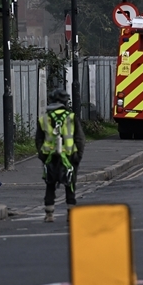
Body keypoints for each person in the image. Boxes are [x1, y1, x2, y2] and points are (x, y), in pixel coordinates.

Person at [36, 88, 85, 222]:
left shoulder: (44, 119)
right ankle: (71, 213)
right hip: (70, 156)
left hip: (49, 157)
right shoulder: (71, 117)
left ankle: (49, 214)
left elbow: (39, 139)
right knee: (70, 185)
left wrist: (42, 154)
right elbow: (80, 138)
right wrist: (78, 156)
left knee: (50, 185)